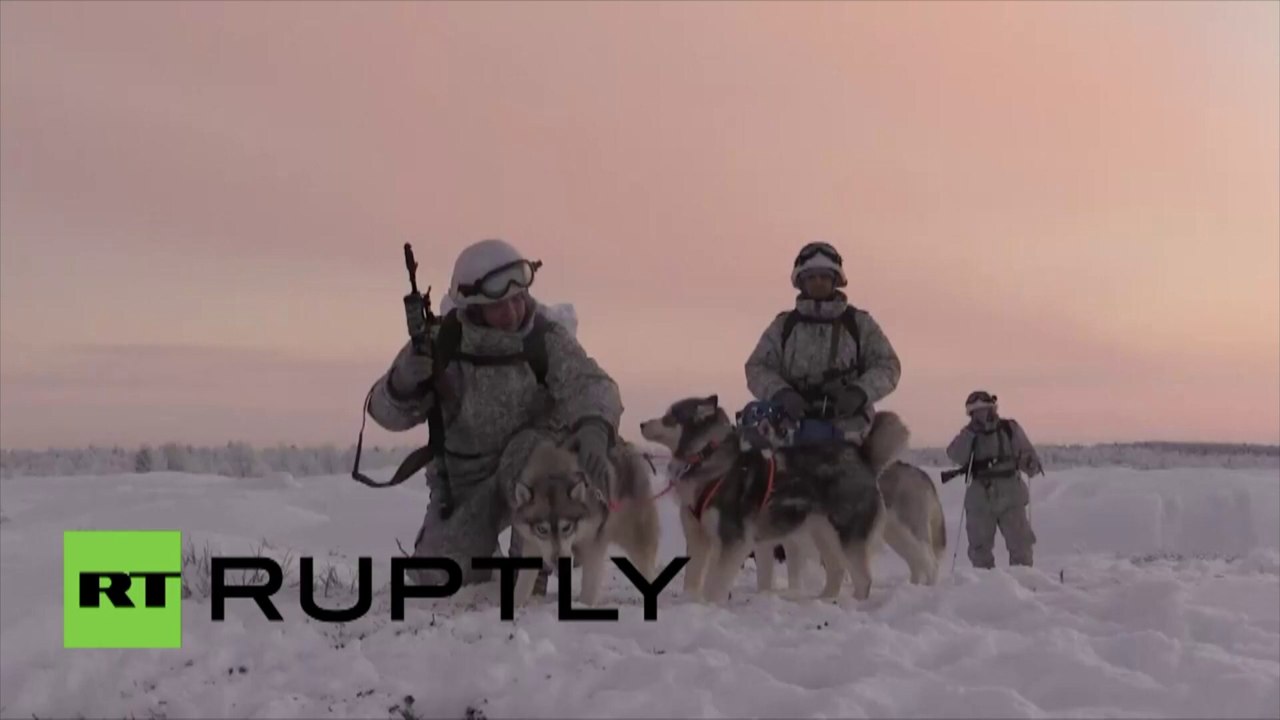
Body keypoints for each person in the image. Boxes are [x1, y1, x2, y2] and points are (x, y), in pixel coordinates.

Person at [365, 238, 624, 588]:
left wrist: (595, 427)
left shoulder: (544, 339)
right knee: (440, 578)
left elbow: (593, 385)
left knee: (535, 453)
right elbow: (386, 415)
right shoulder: (442, 344)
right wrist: (402, 383)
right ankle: (484, 566)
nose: (513, 311)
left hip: (537, 473)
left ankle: (531, 569)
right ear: (473, 306)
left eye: (518, 299)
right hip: (466, 484)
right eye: (499, 305)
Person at [744, 241, 902, 457]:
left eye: (824, 276)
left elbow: (888, 366)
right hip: (791, 423)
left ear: (835, 280)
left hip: (847, 424)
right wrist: (782, 394)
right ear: (801, 281)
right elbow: (756, 367)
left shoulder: (859, 324)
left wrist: (859, 392)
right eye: (811, 277)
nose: (818, 282)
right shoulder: (783, 326)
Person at [944, 390, 1044, 569]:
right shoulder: (968, 435)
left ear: (992, 409)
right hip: (980, 497)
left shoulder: (1009, 429)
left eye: (984, 410)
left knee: (1021, 545)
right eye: (976, 412)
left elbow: (1027, 456)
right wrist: (970, 434)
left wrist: (1030, 463)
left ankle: (1023, 583)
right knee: (980, 551)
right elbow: (955, 454)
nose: (981, 416)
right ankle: (986, 585)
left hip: (1011, 494)